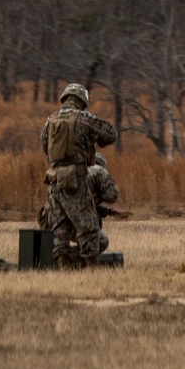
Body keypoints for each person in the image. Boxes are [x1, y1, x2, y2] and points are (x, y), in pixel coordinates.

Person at [39, 83, 116, 269]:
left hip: (55, 180)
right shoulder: (84, 118)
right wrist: (95, 140)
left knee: (61, 226)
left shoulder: (50, 120)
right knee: (87, 225)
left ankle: (63, 265)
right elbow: (111, 133)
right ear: (82, 102)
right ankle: (91, 266)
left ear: (65, 99)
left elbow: (44, 146)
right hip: (77, 179)